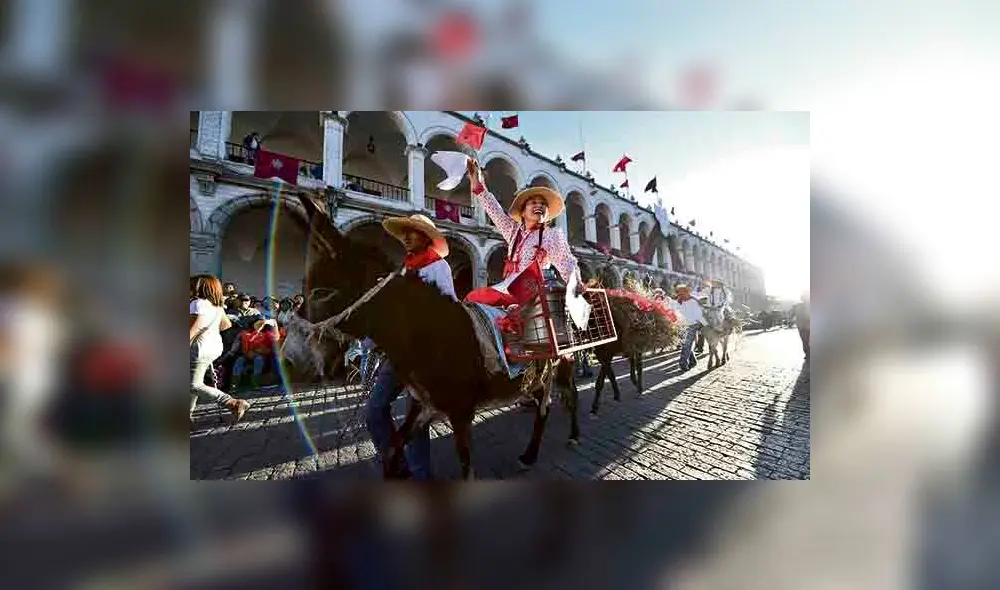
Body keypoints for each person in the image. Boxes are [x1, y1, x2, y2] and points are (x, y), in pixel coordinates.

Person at [366, 214, 457, 480]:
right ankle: (397, 461)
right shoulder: (405, 269)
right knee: (374, 411)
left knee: (415, 420)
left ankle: (421, 478)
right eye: (404, 233)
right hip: (397, 354)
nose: (406, 237)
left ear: (426, 237)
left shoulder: (438, 267)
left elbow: (449, 309)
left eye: (413, 232)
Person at [463, 158, 584, 306]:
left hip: (535, 291)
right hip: (510, 286)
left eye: (543, 204)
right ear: (523, 212)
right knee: (475, 298)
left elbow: (566, 262)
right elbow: (495, 211)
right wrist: (478, 185)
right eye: (533, 203)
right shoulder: (513, 231)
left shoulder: (551, 235)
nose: (539, 206)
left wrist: (575, 282)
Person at [190, 274, 250, 422]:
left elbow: (192, 329)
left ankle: (232, 403)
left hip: (198, 347)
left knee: (193, 384)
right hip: (214, 346)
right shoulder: (216, 306)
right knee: (193, 380)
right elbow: (226, 325)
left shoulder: (197, 303)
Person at [663, 284, 705, 372]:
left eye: (682, 293)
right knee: (686, 345)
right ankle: (692, 361)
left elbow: (699, 315)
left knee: (686, 344)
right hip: (681, 326)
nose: (680, 295)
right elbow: (672, 312)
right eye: (678, 293)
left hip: (692, 325)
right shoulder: (677, 302)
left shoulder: (694, 301)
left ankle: (683, 364)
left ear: (687, 293)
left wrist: (704, 325)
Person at [793, 293, 810, 360]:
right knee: (806, 340)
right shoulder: (797, 306)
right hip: (805, 326)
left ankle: (807, 353)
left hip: (803, 326)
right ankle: (808, 353)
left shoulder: (797, 306)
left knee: (805, 340)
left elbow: (791, 314)